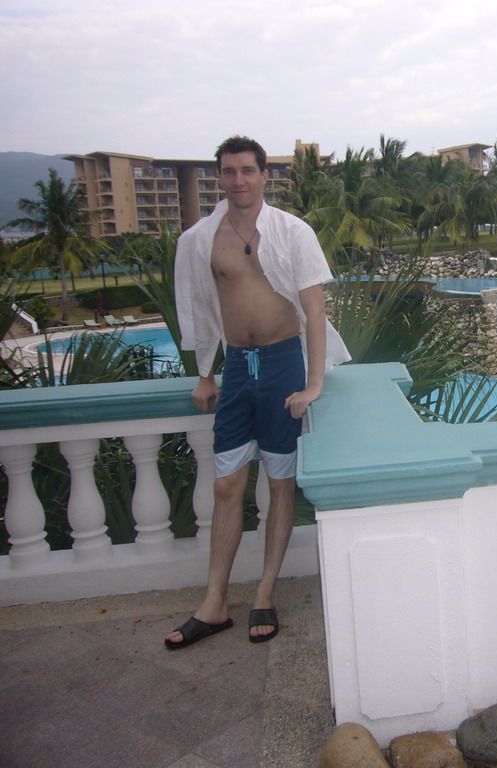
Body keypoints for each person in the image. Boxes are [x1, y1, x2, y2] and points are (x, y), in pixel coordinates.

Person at [165, 136, 350, 649]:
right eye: (229, 172)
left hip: (282, 362)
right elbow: (200, 309)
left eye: (248, 170)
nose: (239, 180)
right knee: (227, 486)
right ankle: (215, 603)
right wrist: (206, 372)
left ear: (266, 176)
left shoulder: (292, 232)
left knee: (279, 483)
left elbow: (314, 311)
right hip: (236, 370)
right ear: (219, 178)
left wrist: (313, 382)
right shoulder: (201, 240)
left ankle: (264, 593)